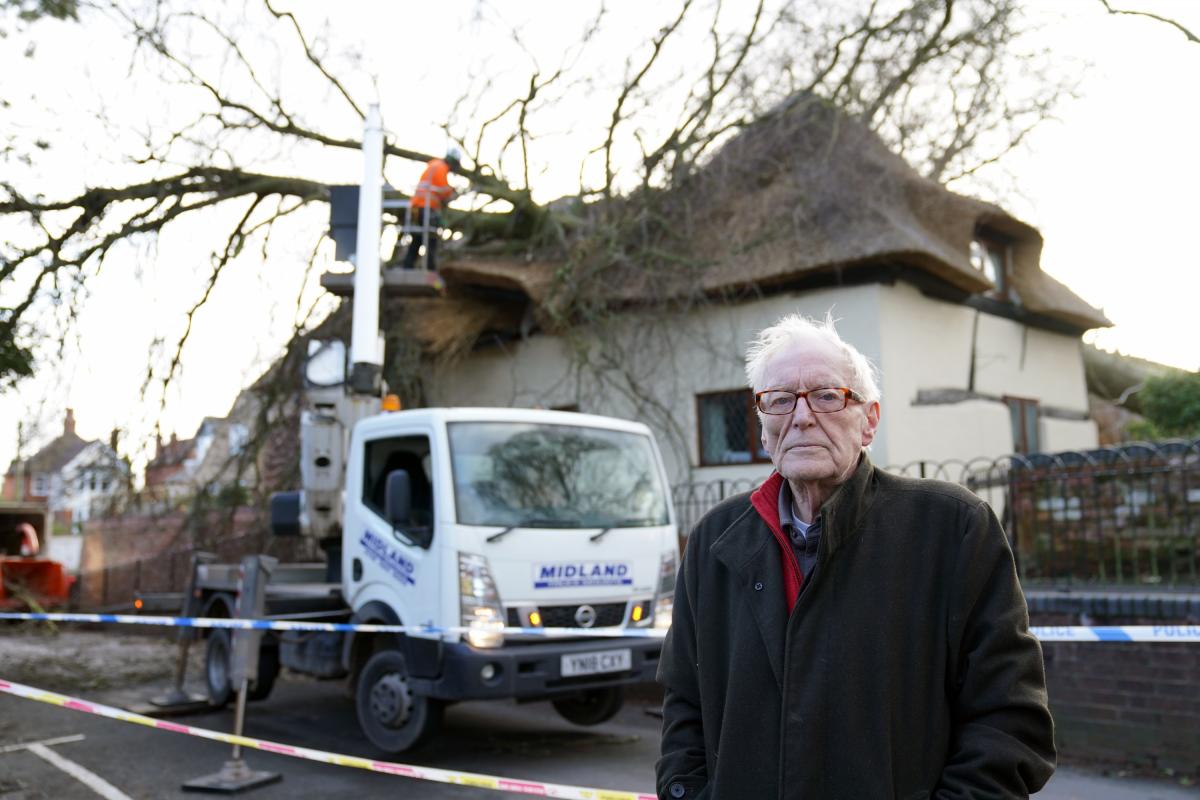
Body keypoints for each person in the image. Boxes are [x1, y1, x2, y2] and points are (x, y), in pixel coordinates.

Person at [656, 312, 1055, 799]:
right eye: (779, 399)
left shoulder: (953, 529)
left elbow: (1008, 718)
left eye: (827, 396)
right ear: (762, 429)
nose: (802, 416)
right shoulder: (714, 540)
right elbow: (684, 701)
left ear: (869, 421)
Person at [401, 147, 461, 271]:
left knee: (417, 237)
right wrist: (453, 191)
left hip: (417, 207)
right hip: (426, 207)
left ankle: (408, 266)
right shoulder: (441, 168)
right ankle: (430, 268)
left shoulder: (433, 165)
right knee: (431, 237)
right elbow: (443, 189)